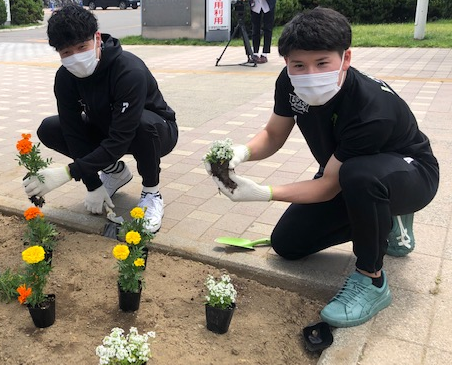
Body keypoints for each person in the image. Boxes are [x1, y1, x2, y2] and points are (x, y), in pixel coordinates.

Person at [205, 7, 439, 328]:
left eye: (322, 63)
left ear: (345, 58)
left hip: (409, 174)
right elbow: (274, 134)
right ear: (286, 62)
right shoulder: (289, 83)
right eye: (298, 64)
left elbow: (329, 185)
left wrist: (262, 192)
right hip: (345, 170)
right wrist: (240, 153)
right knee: (287, 244)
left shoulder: (372, 109)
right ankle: (382, 220)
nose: (310, 74)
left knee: (359, 177)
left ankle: (372, 279)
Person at [22, 5, 178, 233]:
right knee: (50, 128)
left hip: (155, 131)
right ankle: (114, 172)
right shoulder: (65, 78)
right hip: (106, 127)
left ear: (96, 38)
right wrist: (92, 183)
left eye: (81, 47)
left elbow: (121, 138)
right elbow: (72, 131)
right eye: (66, 52)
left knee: (143, 125)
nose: (75, 57)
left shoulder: (128, 70)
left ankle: (152, 193)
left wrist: (68, 172)